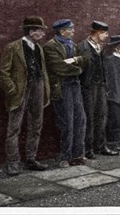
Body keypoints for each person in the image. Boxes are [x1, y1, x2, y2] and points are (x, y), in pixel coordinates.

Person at [0, 16, 51, 176]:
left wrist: (45, 88)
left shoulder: (39, 48)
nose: (42, 33)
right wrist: (12, 89)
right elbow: (2, 72)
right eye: (40, 30)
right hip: (21, 90)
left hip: (38, 87)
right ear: (31, 31)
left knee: (36, 125)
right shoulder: (13, 47)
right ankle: (13, 163)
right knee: (14, 128)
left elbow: (42, 70)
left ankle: (31, 159)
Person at [43, 19, 88, 168]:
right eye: (71, 29)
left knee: (80, 120)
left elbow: (85, 59)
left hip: (74, 85)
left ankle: (78, 155)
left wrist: (74, 60)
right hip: (61, 87)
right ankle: (65, 157)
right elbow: (59, 67)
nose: (73, 31)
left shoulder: (72, 45)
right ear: (62, 31)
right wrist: (77, 68)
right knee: (66, 122)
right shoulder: (50, 46)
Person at [78, 21, 119, 159]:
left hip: (100, 86)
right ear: (98, 33)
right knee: (89, 118)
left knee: (101, 116)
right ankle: (88, 149)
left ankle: (101, 146)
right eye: (105, 33)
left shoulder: (100, 47)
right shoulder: (83, 47)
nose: (107, 36)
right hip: (88, 87)